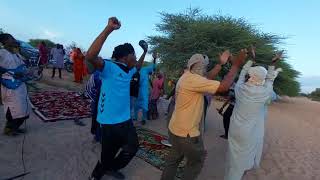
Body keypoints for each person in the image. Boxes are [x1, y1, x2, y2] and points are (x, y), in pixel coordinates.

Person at [161, 49, 247, 180]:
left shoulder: (187, 76)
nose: (206, 69)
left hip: (175, 128)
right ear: (199, 66)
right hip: (187, 134)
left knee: (173, 160)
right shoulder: (193, 80)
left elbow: (206, 78)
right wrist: (236, 65)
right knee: (196, 161)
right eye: (205, 66)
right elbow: (223, 87)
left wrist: (220, 64)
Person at [86, 17, 147, 180]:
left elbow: (138, 66)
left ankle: (110, 168)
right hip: (109, 122)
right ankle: (96, 175)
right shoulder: (109, 67)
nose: (134, 59)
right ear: (125, 57)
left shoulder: (129, 70)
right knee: (107, 155)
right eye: (133, 55)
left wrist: (145, 53)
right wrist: (108, 29)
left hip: (125, 120)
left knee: (132, 147)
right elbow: (90, 56)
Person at [224, 51, 283, 180]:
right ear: (262, 78)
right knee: (242, 163)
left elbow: (242, 74)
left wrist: (250, 59)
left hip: (234, 130)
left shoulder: (240, 88)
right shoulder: (265, 93)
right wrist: (273, 63)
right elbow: (270, 79)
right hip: (249, 134)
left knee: (233, 159)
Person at [0, 33, 30, 136]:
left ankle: (15, 127)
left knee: (22, 108)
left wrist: (20, 48)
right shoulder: (2, 53)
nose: (13, 39)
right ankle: (8, 129)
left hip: (20, 84)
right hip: (9, 85)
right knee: (12, 107)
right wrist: (5, 71)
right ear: (5, 41)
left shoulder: (15, 52)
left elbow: (26, 61)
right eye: (11, 38)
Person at [135, 52, 157, 125]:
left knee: (144, 107)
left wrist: (154, 58)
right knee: (134, 108)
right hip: (134, 94)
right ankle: (134, 120)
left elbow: (153, 67)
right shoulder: (131, 71)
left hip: (144, 93)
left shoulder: (145, 69)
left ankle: (143, 119)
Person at [85, 70, 102, 142]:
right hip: (99, 100)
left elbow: (89, 88)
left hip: (100, 101)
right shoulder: (97, 73)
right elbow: (90, 87)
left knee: (98, 118)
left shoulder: (96, 73)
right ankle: (98, 136)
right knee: (98, 118)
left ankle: (98, 136)